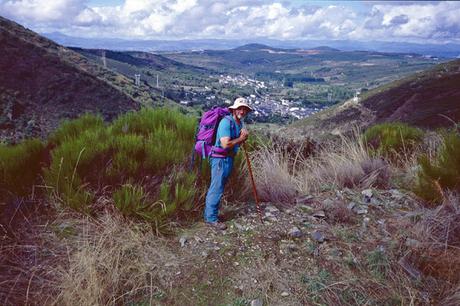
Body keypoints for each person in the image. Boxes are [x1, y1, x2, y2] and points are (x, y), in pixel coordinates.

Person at [204, 97, 253, 230]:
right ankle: (211, 219)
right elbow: (225, 144)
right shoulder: (226, 123)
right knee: (216, 188)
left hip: (227, 159)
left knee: (219, 187)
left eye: (244, 109)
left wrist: (243, 138)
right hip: (220, 159)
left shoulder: (238, 124)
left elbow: (236, 141)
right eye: (240, 108)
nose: (242, 111)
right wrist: (241, 138)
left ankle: (212, 215)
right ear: (234, 109)